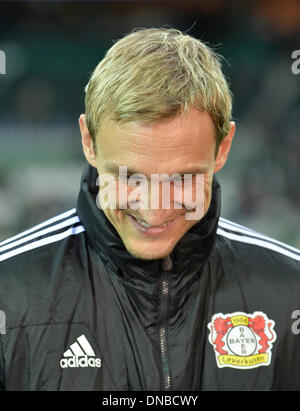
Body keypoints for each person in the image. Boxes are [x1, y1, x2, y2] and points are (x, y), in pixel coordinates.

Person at [0, 28, 300, 391]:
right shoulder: (8, 289)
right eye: (130, 177)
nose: (154, 208)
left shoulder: (291, 290)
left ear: (223, 148)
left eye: (182, 178)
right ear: (88, 142)